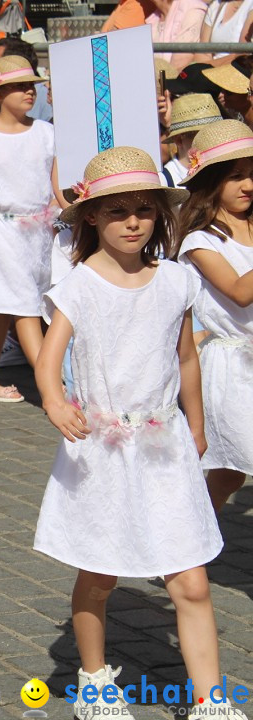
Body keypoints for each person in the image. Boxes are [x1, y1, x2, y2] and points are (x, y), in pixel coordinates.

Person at [33, 146, 245, 720]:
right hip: (102, 445)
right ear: (93, 218)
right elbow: (49, 358)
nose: (132, 222)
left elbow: (185, 360)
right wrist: (54, 400)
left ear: (159, 216)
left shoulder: (176, 280)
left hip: (164, 445)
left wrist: (196, 424)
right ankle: (95, 677)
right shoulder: (79, 285)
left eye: (143, 211)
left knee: (191, 579)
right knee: (100, 573)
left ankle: (209, 698)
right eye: (118, 211)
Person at [0, 55, 61, 399]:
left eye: (31, 86)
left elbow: (57, 188)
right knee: (24, 306)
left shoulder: (47, 133)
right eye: (18, 87)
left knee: (4, 307)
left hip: (37, 232)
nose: (28, 92)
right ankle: (53, 387)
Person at [177, 120, 253, 511]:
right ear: (211, 182)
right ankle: (190, 540)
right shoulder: (201, 240)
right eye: (237, 176)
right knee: (230, 469)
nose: (249, 185)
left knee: (229, 474)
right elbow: (240, 292)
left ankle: (191, 541)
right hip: (235, 368)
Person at [162, 93, 224, 186]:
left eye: (218, 135)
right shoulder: (163, 182)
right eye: (205, 137)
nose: (215, 143)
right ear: (179, 140)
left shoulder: (223, 175)